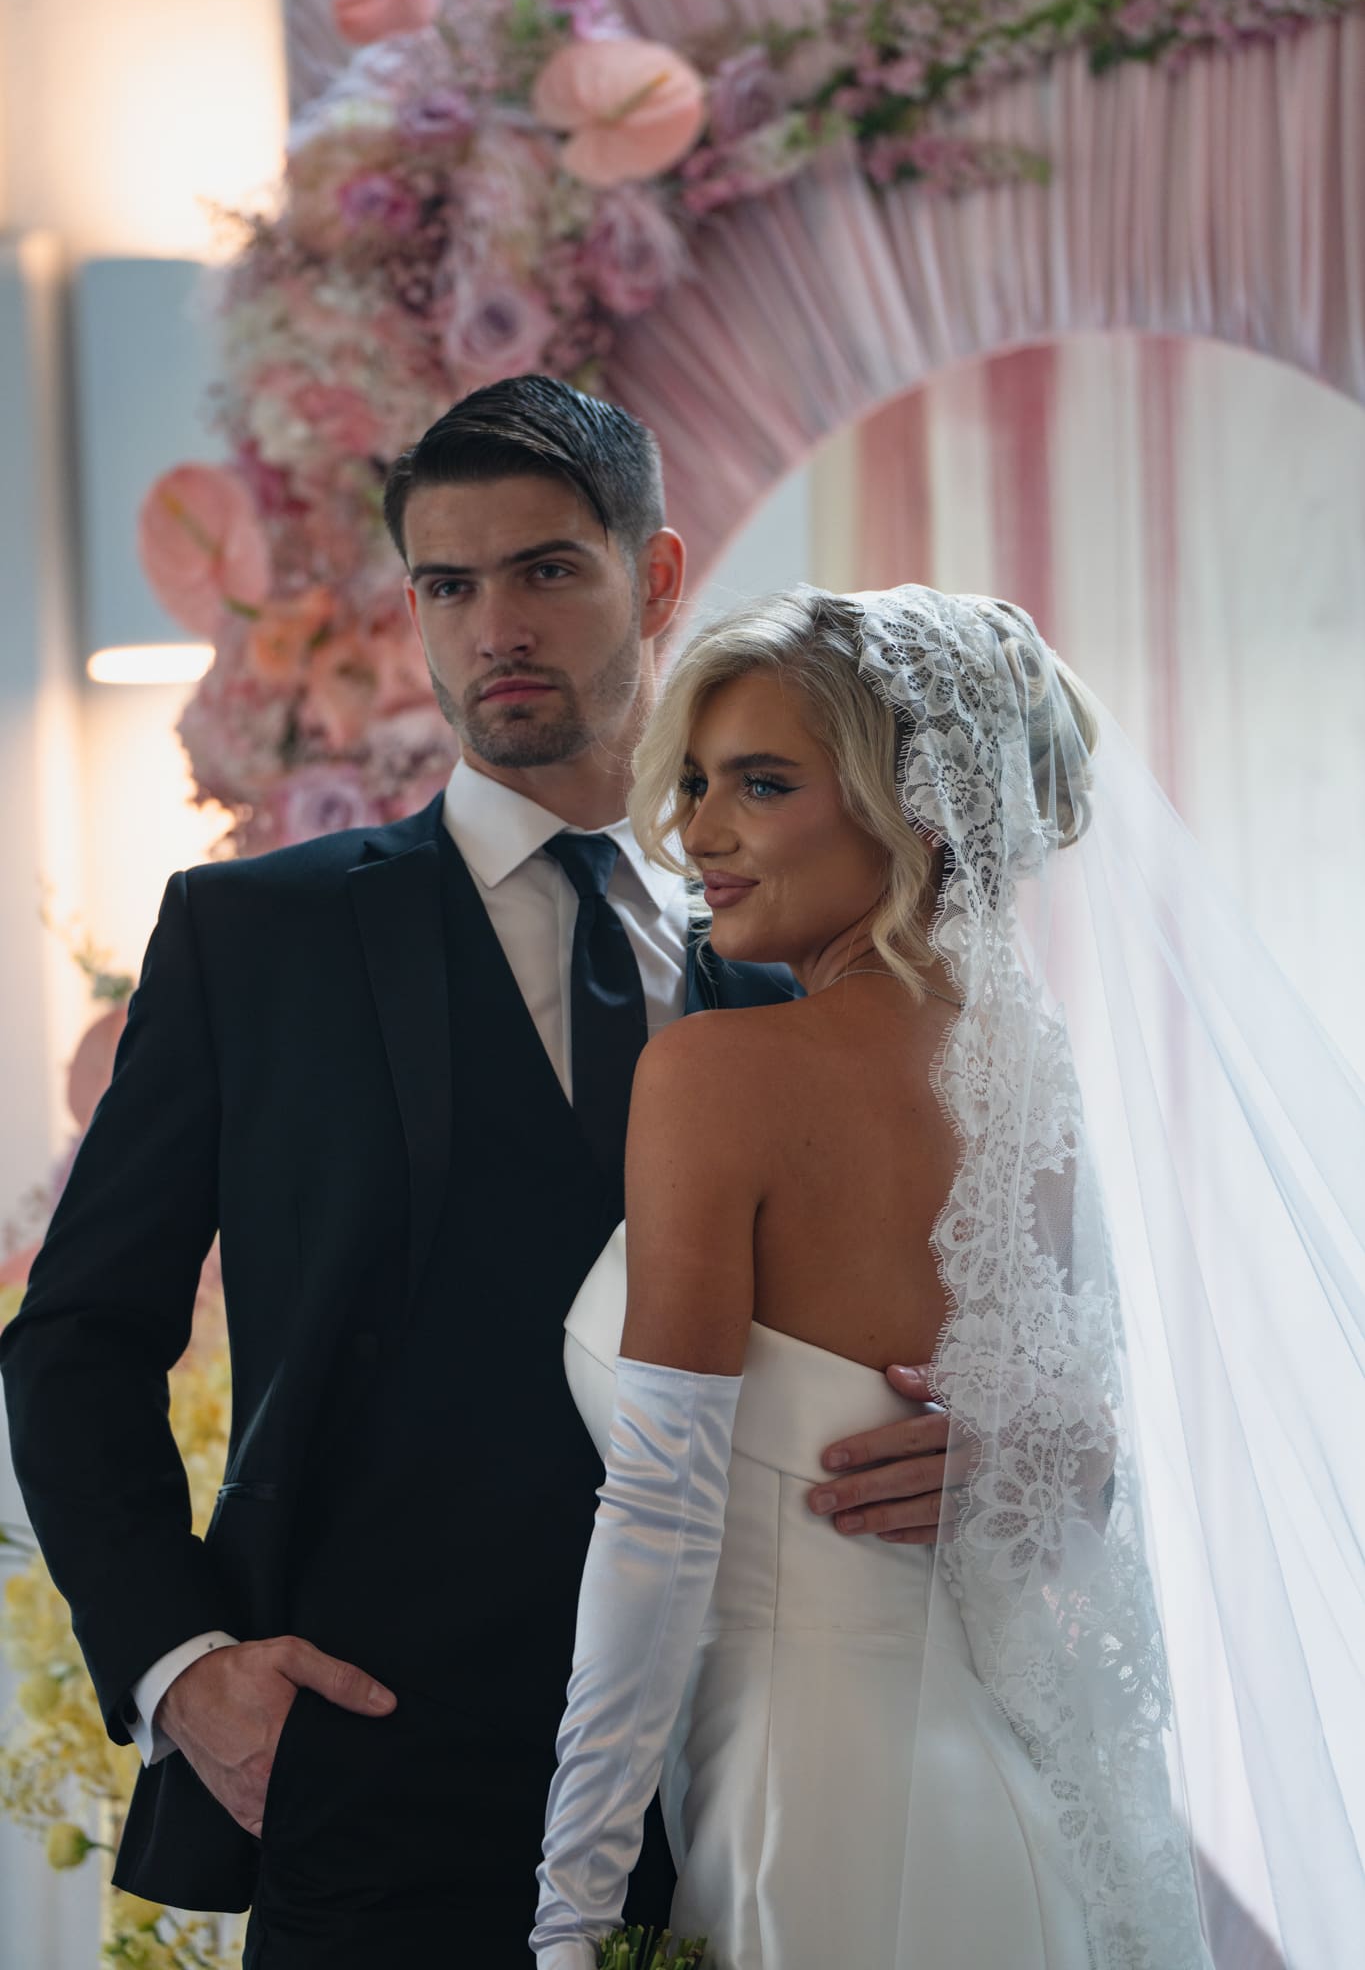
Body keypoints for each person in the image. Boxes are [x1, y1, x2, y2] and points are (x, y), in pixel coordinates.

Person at [0, 381, 967, 1966]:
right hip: (369, 1772)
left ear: (653, 580)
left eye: (544, 571)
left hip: (755, 1780)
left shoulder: (806, 957)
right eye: (447, 586)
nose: (492, 626)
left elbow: (956, 1300)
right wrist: (182, 1667)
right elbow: (76, 1341)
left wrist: (999, 1454)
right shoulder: (258, 940)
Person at [531, 584, 1223, 1968]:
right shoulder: (1035, 1080)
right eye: (695, 781)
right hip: (1008, 1807)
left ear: (915, 806)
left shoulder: (716, 1076)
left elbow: (659, 1520)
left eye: (762, 784)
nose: (697, 832)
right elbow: (1069, 1457)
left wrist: (573, 1905)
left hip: (816, 1807)